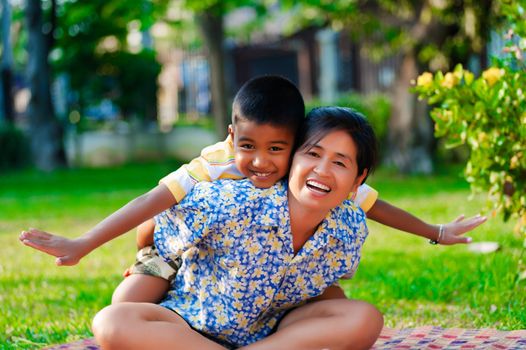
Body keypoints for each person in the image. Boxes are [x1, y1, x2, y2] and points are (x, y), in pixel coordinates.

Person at [19, 75, 486, 304]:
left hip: (254, 273)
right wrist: (83, 243)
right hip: (177, 252)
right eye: (248, 147)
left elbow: (375, 204)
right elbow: (153, 202)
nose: (261, 162)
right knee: (128, 300)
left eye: (276, 149)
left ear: (296, 142)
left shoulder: (306, 170)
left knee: (334, 304)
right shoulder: (217, 164)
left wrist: (436, 231)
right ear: (230, 137)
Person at [92, 106, 384, 350]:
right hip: (189, 326)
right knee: (111, 322)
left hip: (274, 332)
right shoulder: (233, 201)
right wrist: (147, 262)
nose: (322, 170)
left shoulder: (349, 227)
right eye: (313, 154)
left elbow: (328, 289)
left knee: (366, 318)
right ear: (292, 155)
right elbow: (160, 219)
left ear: (359, 179)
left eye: (340, 163)